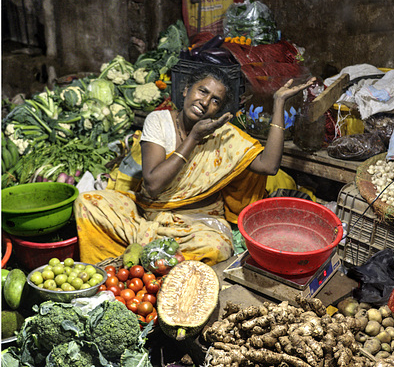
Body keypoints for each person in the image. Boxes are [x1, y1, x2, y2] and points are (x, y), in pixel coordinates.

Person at [74, 66, 315, 266]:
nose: (205, 102)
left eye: (215, 100)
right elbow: (154, 184)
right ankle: (145, 259)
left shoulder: (223, 135)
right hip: (150, 215)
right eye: (202, 91)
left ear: (218, 110)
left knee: (217, 247)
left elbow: (269, 166)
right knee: (88, 203)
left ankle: (150, 259)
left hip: (199, 224)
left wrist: (279, 103)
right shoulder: (159, 121)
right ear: (187, 90)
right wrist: (193, 139)